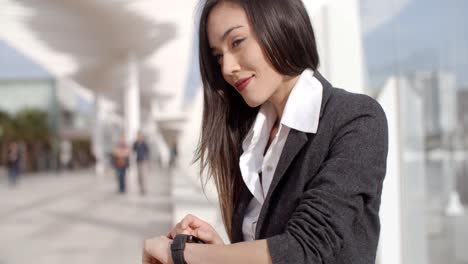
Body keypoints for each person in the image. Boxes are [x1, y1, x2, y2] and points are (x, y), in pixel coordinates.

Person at [143, 0, 388, 263]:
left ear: (279, 24)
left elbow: (305, 249)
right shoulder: (250, 141)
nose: (226, 68)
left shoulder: (356, 118)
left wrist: (180, 254)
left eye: (236, 42)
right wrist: (217, 250)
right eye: (218, 56)